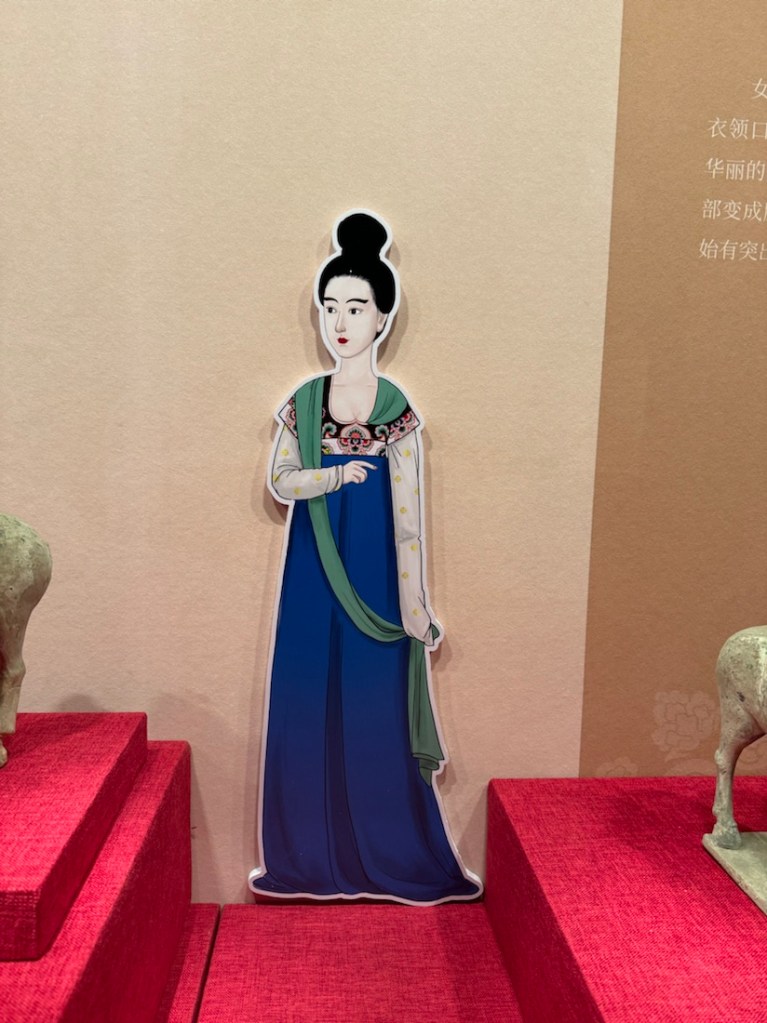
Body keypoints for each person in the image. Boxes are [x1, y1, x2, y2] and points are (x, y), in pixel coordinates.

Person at [249, 210, 480, 904]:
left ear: (382, 316)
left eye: (355, 307)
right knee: (306, 697)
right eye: (330, 306)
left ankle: (390, 850)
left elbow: (409, 517)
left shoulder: (395, 407)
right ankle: (304, 858)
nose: (340, 321)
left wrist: (414, 605)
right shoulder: (304, 403)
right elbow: (284, 479)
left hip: (377, 576)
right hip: (312, 569)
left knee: (372, 707)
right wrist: (331, 477)